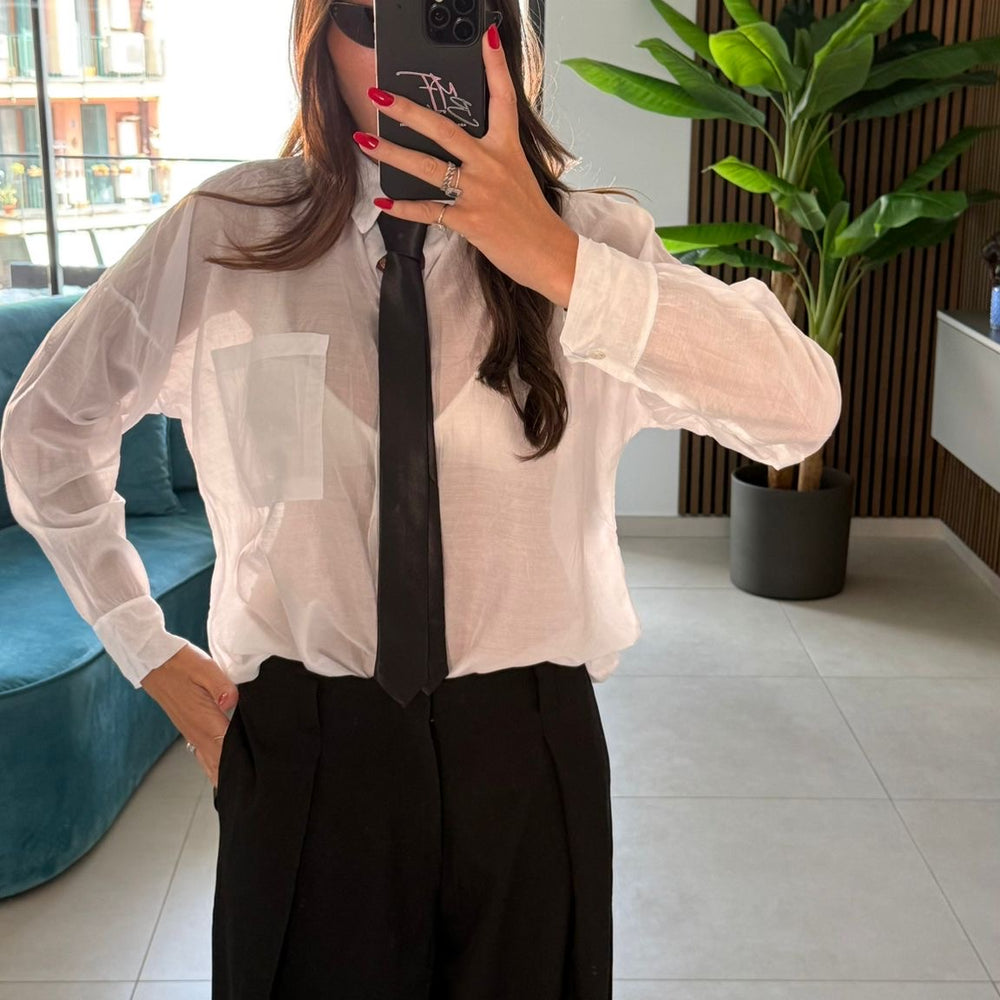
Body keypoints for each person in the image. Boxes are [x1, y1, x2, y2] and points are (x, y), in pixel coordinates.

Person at [0, 1, 843, 997]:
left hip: (529, 749)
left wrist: (556, 259)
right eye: (368, 15)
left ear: (500, 36)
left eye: (442, 10)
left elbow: (800, 412)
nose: (400, 55)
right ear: (316, 38)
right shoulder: (229, 235)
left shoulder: (592, 242)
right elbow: (46, 428)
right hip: (306, 747)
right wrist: (146, 648)